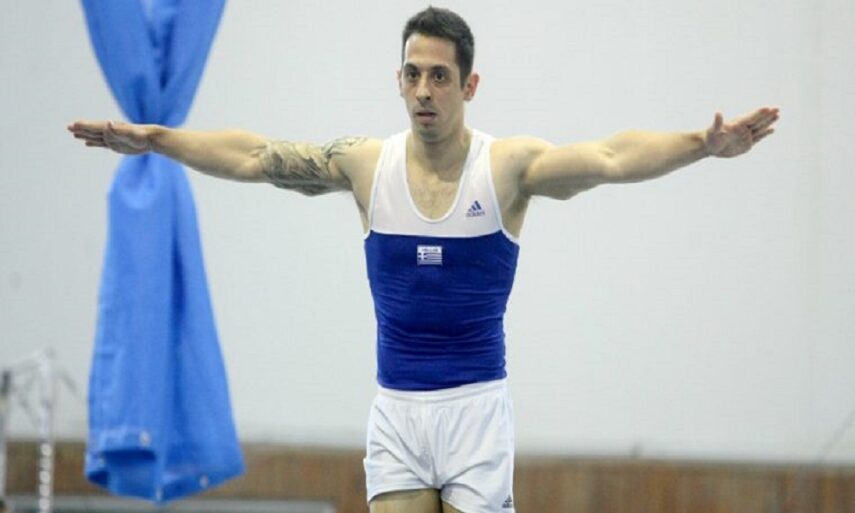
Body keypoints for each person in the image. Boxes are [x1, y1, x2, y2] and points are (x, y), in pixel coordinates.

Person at [68, 6, 779, 513]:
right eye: (412, 75)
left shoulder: (505, 169)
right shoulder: (364, 165)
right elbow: (257, 156)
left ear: (469, 85)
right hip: (397, 411)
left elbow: (609, 157)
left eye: (439, 77)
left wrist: (701, 144)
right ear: (398, 79)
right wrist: (156, 138)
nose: (423, 92)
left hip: (475, 412)